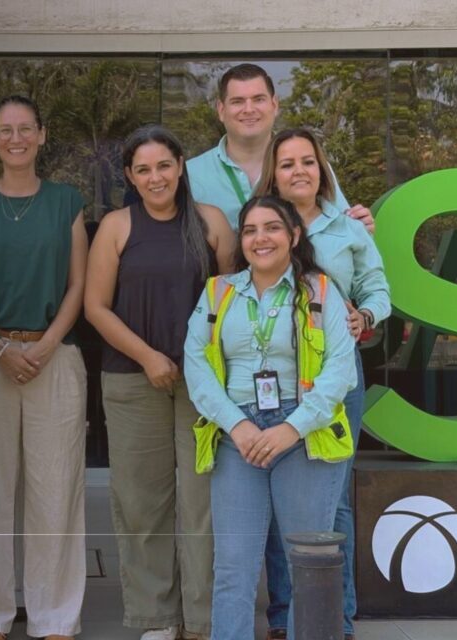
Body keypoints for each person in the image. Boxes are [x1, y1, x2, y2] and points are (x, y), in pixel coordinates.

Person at [84, 124, 235, 640]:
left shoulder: (211, 223)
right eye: (143, 169)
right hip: (132, 380)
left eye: (164, 166)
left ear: (181, 166)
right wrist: (148, 357)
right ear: (129, 175)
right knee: (142, 503)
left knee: (202, 503)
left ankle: (202, 619)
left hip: (203, 386)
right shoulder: (116, 227)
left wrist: (200, 364)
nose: (155, 177)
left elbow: (230, 303)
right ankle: (156, 618)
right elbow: (96, 307)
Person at [184, 195, 357, 640]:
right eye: (250, 230)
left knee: (307, 567)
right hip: (236, 438)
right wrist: (236, 425)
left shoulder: (321, 291)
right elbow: (197, 366)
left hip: (304, 436)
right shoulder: (218, 292)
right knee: (233, 568)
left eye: (272, 227)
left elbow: (341, 371)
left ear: (294, 235)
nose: (260, 238)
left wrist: (291, 428)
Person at [0, 95, 88, 640]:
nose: (16, 139)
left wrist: (46, 345)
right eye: (5, 130)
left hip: (55, 356)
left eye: (25, 128)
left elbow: (78, 284)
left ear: (42, 135)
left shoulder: (67, 202)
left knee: (56, 491)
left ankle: (55, 618)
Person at [254, 128, 391, 640]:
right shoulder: (260, 224)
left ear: (321, 168)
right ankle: (284, 616)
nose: (299, 171)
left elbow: (377, 288)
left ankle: (337, 617)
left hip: (337, 375)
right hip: (274, 379)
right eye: (287, 163)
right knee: (279, 499)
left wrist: (366, 315)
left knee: (333, 499)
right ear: (274, 174)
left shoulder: (348, 227)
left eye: (308, 161)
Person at [186, 63, 373, 232]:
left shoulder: (308, 168)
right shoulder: (190, 175)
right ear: (221, 110)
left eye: (258, 99)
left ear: (274, 105)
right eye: (238, 101)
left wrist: (360, 227)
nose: (249, 109)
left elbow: (343, 231)